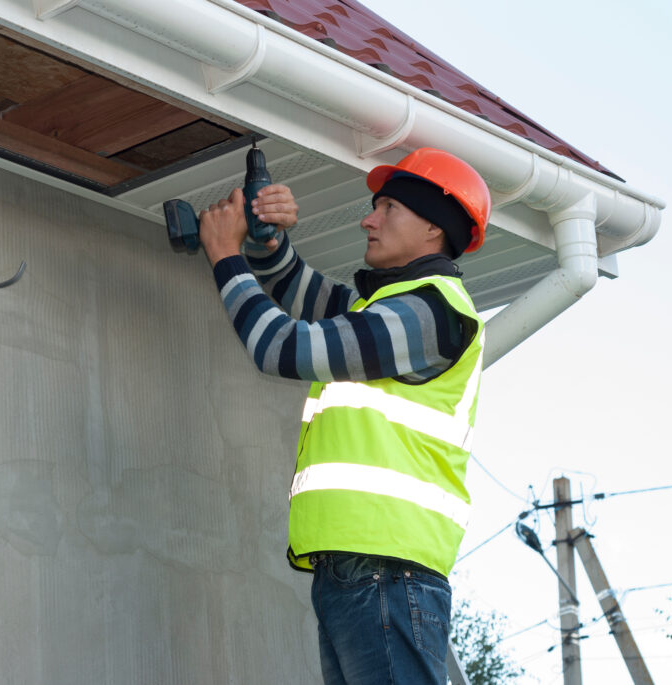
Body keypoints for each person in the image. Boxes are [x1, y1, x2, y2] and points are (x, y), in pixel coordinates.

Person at [198, 147, 490, 684]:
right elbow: (299, 289)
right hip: (360, 567)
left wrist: (226, 257)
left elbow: (280, 346)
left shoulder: (433, 313)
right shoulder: (384, 308)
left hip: (386, 567)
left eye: (388, 210)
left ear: (433, 229)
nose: (367, 219)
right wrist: (267, 240)